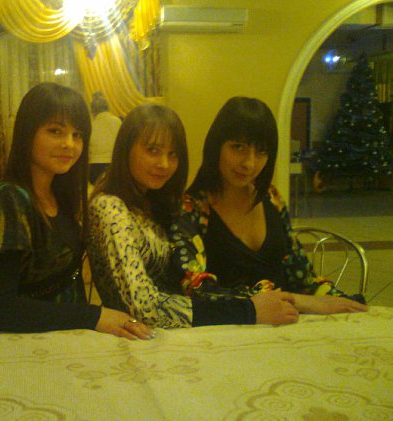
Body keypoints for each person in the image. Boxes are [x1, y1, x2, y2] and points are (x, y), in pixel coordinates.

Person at [88, 104, 299, 329]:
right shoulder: (109, 207)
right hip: (137, 340)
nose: (164, 164)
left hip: (171, 334)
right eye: (153, 150)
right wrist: (249, 310)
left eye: (173, 154)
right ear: (125, 148)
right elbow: (144, 307)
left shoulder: (151, 202)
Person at [0, 82, 152, 340]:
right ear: (27, 132)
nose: (69, 144)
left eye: (77, 134)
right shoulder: (11, 197)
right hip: (29, 342)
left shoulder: (61, 193)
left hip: (69, 335)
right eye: (55, 131)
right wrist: (93, 316)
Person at [169, 96, 367, 319]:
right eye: (238, 147)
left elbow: (301, 276)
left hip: (288, 325)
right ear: (216, 146)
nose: (249, 163)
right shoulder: (190, 209)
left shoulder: (271, 198)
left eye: (261, 152)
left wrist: (336, 299)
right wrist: (294, 300)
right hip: (228, 332)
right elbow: (195, 290)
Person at [89, 92, 121, 184]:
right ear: (107, 107)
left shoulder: (91, 126)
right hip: (114, 165)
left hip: (95, 169)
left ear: (93, 111)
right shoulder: (117, 121)